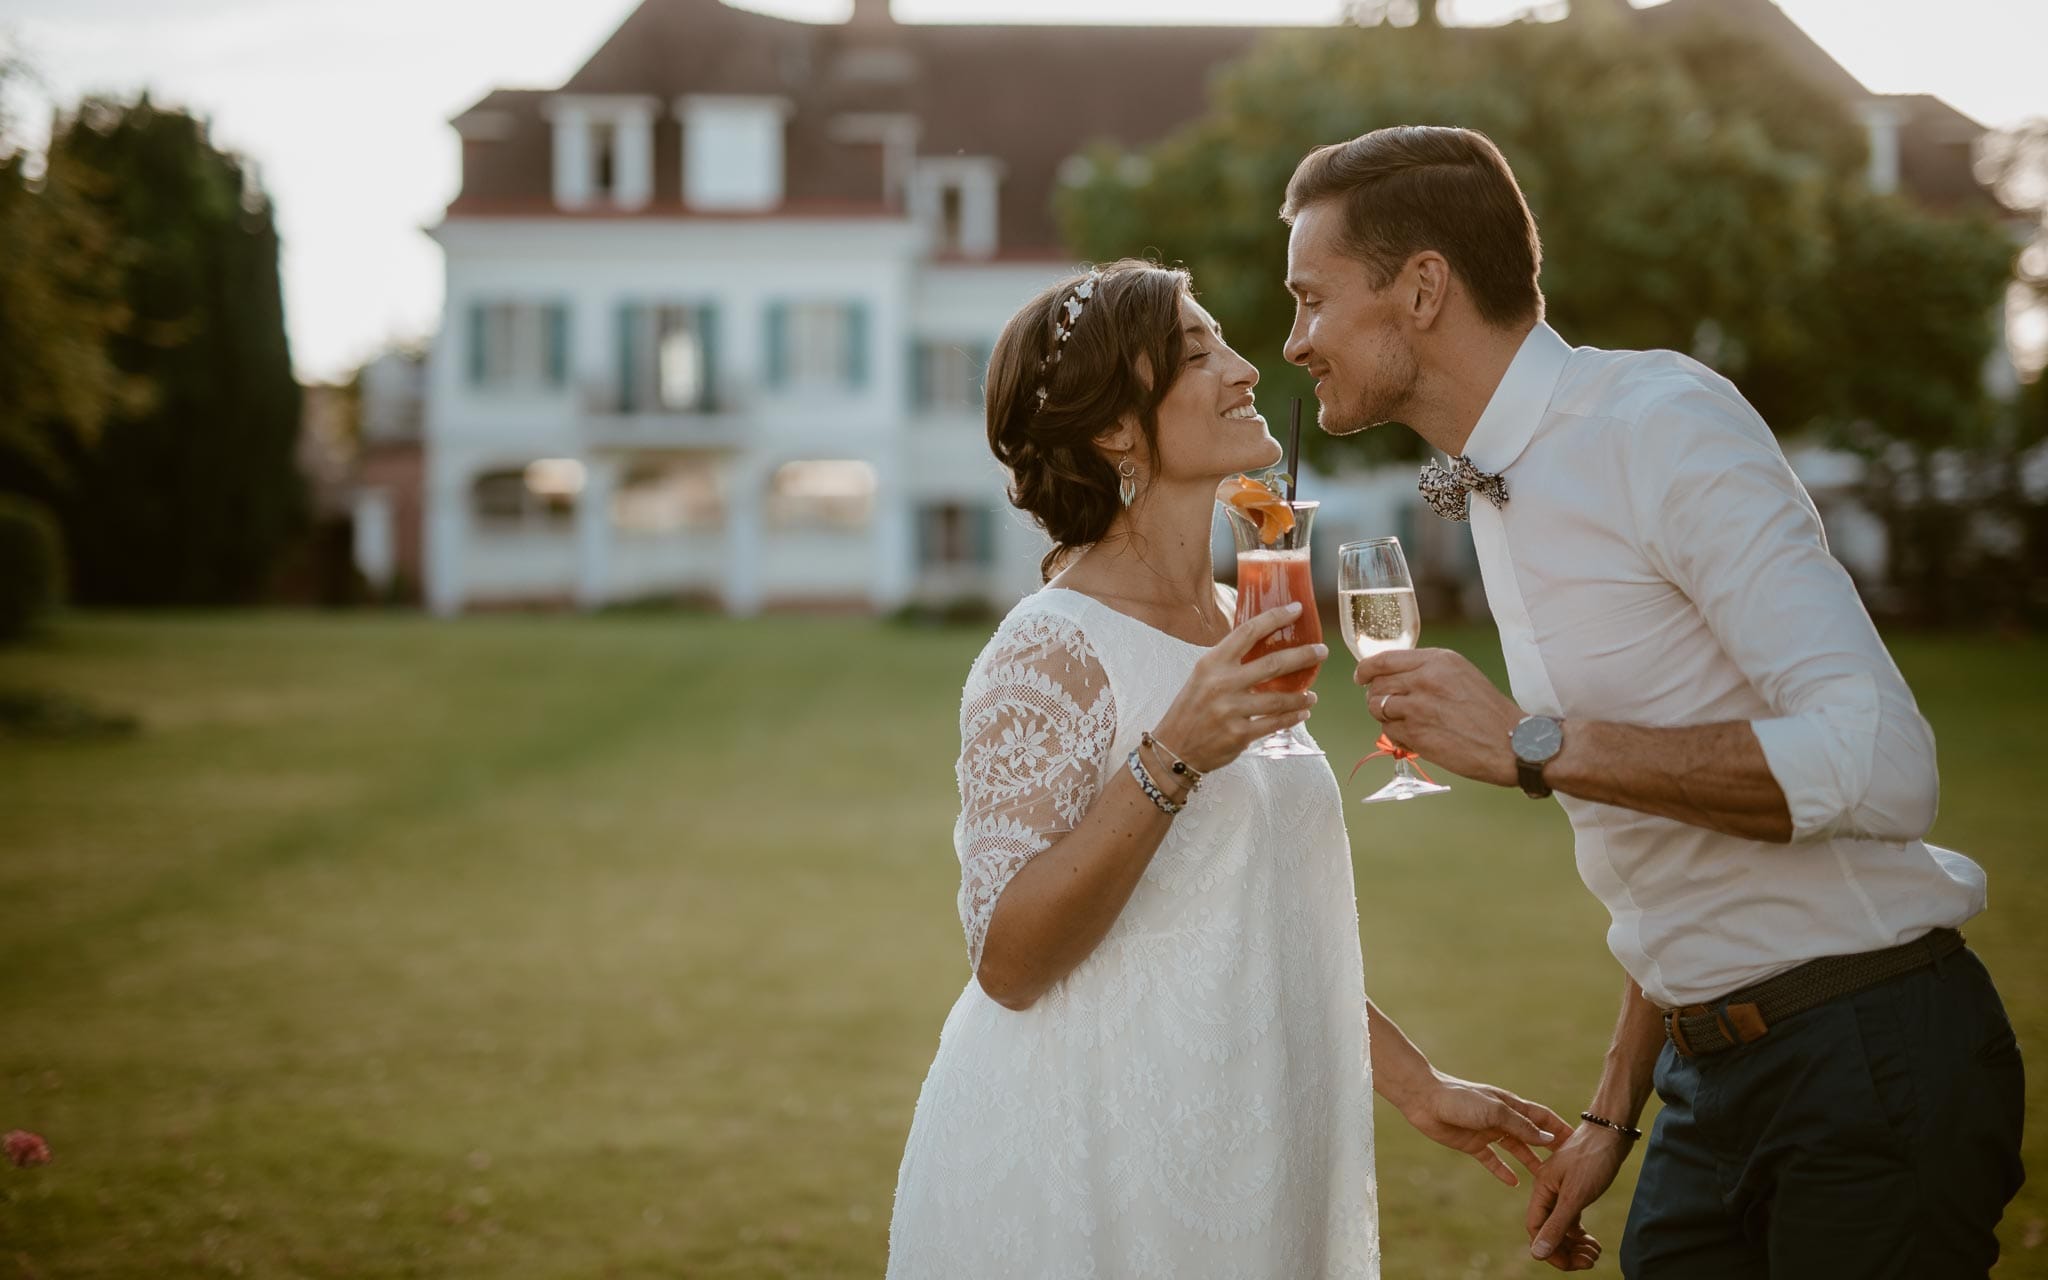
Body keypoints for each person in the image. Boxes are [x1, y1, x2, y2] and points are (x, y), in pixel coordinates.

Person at [1280, 125, 2024, 1276]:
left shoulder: (1653, 423)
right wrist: (1613, 1107)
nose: (1293, 342)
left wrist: (1530, 743)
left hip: (1866, 1051)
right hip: (1702, 1080)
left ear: (1420, 287)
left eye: (1311, 299)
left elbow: (1881, 763)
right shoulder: (1491, 490)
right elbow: (1667, 816)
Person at [887, 258, 1597, 1278]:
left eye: (1221, 339)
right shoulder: (1048, 648)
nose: (1241, 367)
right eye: (1192, 352)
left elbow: (1237, 905)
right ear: (1113, 430)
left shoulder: (1238, 621)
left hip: (1250, 1137)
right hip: (1098, 1147)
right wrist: (1172, 754)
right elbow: (1008, 960)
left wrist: (1413, 1082)